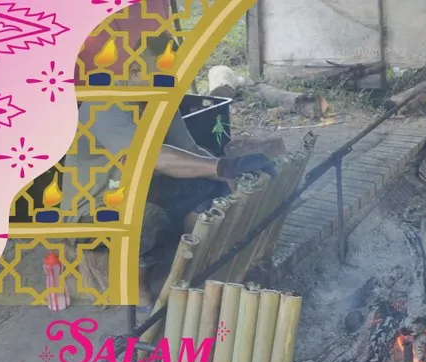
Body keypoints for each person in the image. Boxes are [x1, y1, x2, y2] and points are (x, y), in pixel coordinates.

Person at [63, 3, 276, 311]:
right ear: (134, 71)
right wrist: (222, 165)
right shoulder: (104, 103)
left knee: (212, 188)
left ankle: (194, 267)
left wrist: (231, 173)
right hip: (95, 208)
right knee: (149, 220)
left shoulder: (159, 98)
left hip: (141, 190)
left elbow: (190, 151)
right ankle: (136, 290)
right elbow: (152, 158)